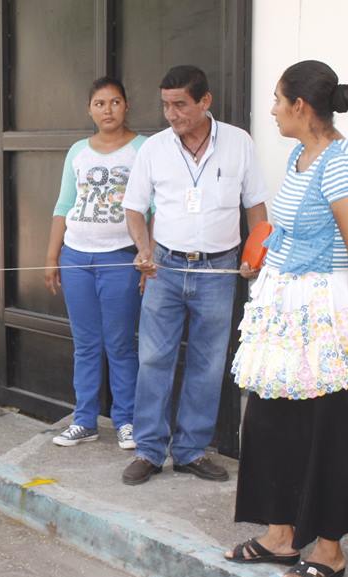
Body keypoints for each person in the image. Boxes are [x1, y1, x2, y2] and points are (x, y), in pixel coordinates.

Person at [224, 60, 348, 577]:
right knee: (269, 421)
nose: (273, 110)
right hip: (283, 310)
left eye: (278, 100)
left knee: (323, 429)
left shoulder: (343, 165)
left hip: (323, 316)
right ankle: (282, 534)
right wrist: (263, 255)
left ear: (300, 107)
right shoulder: (300, 154)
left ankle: (329, 549)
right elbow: (287, 227)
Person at [121, 65, 268, 485]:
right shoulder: (153, 148)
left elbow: (256, 206)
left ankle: (189, 451)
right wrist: (143, 250)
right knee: (153, 358)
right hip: (164, 267)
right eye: (166, 104)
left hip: (219, 270)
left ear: (205, 101)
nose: (171, 114)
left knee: (206, 362)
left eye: (180, 104)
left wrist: (254, 254)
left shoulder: (238, 143)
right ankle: (149, 451)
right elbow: (134, 207)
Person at [45, 77, 148, 450]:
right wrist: (51, 257)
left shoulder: (143, 148)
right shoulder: (78, 152)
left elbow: (152, 208)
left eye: (115, 102)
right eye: (100, 103)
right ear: (89, 109)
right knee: (86, 344)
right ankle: (84, 419)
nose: (108, 110)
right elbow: (62, 205)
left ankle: (127, 420)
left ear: (126, 106)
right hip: (76, 257)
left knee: (120, 344)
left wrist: (145, 253)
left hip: (121, 258)